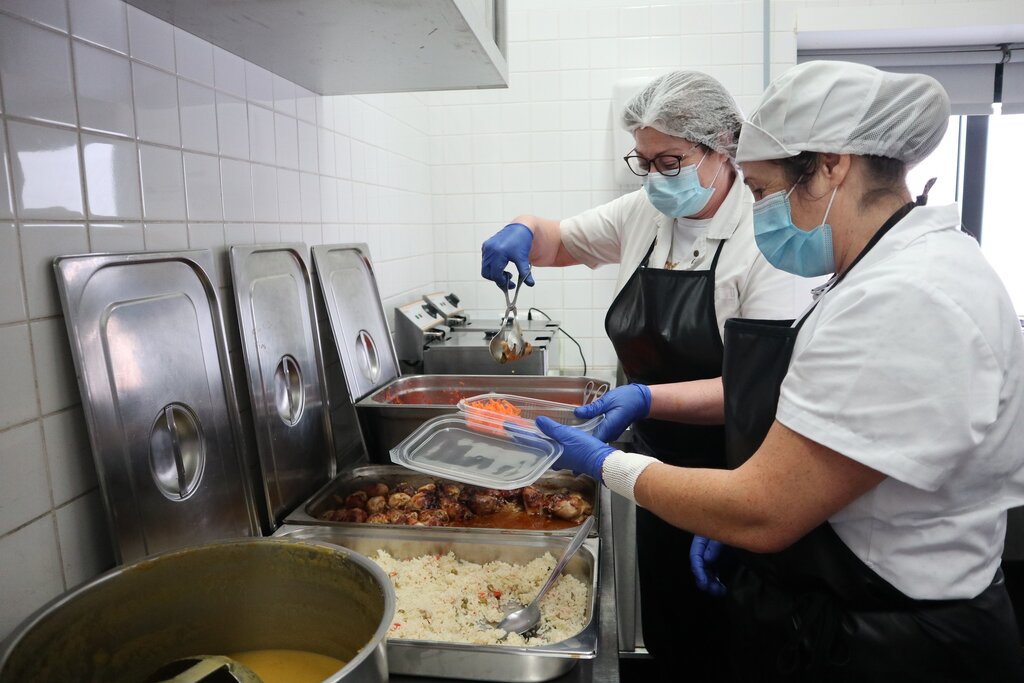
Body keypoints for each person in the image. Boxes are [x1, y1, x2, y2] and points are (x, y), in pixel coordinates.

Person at [534, 60, 1024, 681]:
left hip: (902, 639)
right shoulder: (887, 272)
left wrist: (604, 463)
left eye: (763, 191)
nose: (757, 208)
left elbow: (765, 507)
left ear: (831, 164)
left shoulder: (909, 296)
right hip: (853, 597)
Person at [480, 71, 800, 678]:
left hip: (742, 469)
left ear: (723, 146)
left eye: (671, 160)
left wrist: (647, 397)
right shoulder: (643, 213)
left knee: (737, 642)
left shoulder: (766, 236)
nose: (654, 176)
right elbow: (556, 241)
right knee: (672, 627)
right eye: (643, 160)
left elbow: (759, 389)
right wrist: (522, 227)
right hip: (655, 467)